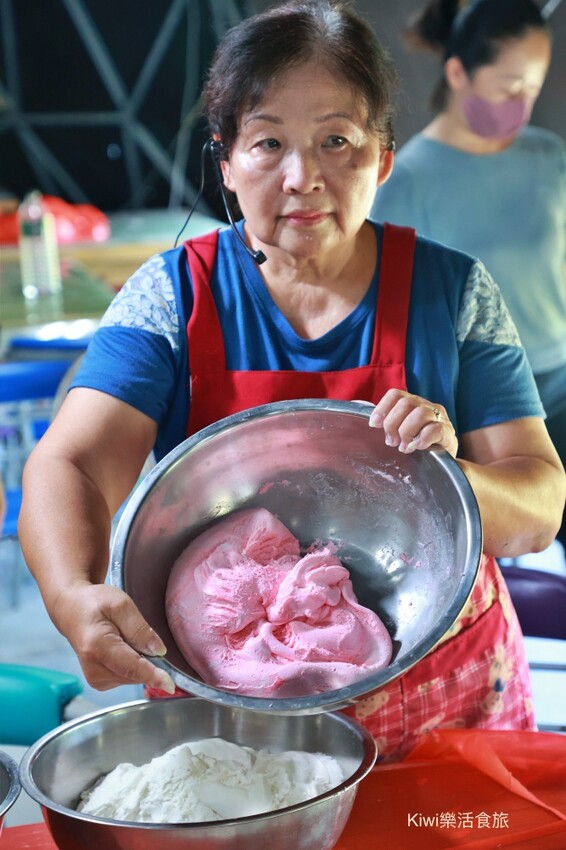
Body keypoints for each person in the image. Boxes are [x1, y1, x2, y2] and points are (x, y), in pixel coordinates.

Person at [19, 0, 564, 763]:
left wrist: (450, 479)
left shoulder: (455, 293)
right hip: (238, 710)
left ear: (381, 158)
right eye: (268, 142)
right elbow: (72, 461)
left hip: (447, 701)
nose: (302, 177)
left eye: (336, 141)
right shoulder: (175, 297)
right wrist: (73, 594)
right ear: (227, 161)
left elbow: (539, 504)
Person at [371, 0, 566, 554]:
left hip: (562, 377)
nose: (521, 105)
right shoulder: (406, 182)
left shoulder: (549, 157)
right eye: (509, 86)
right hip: (486, 410)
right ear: (459, 73)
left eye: (533, 88)